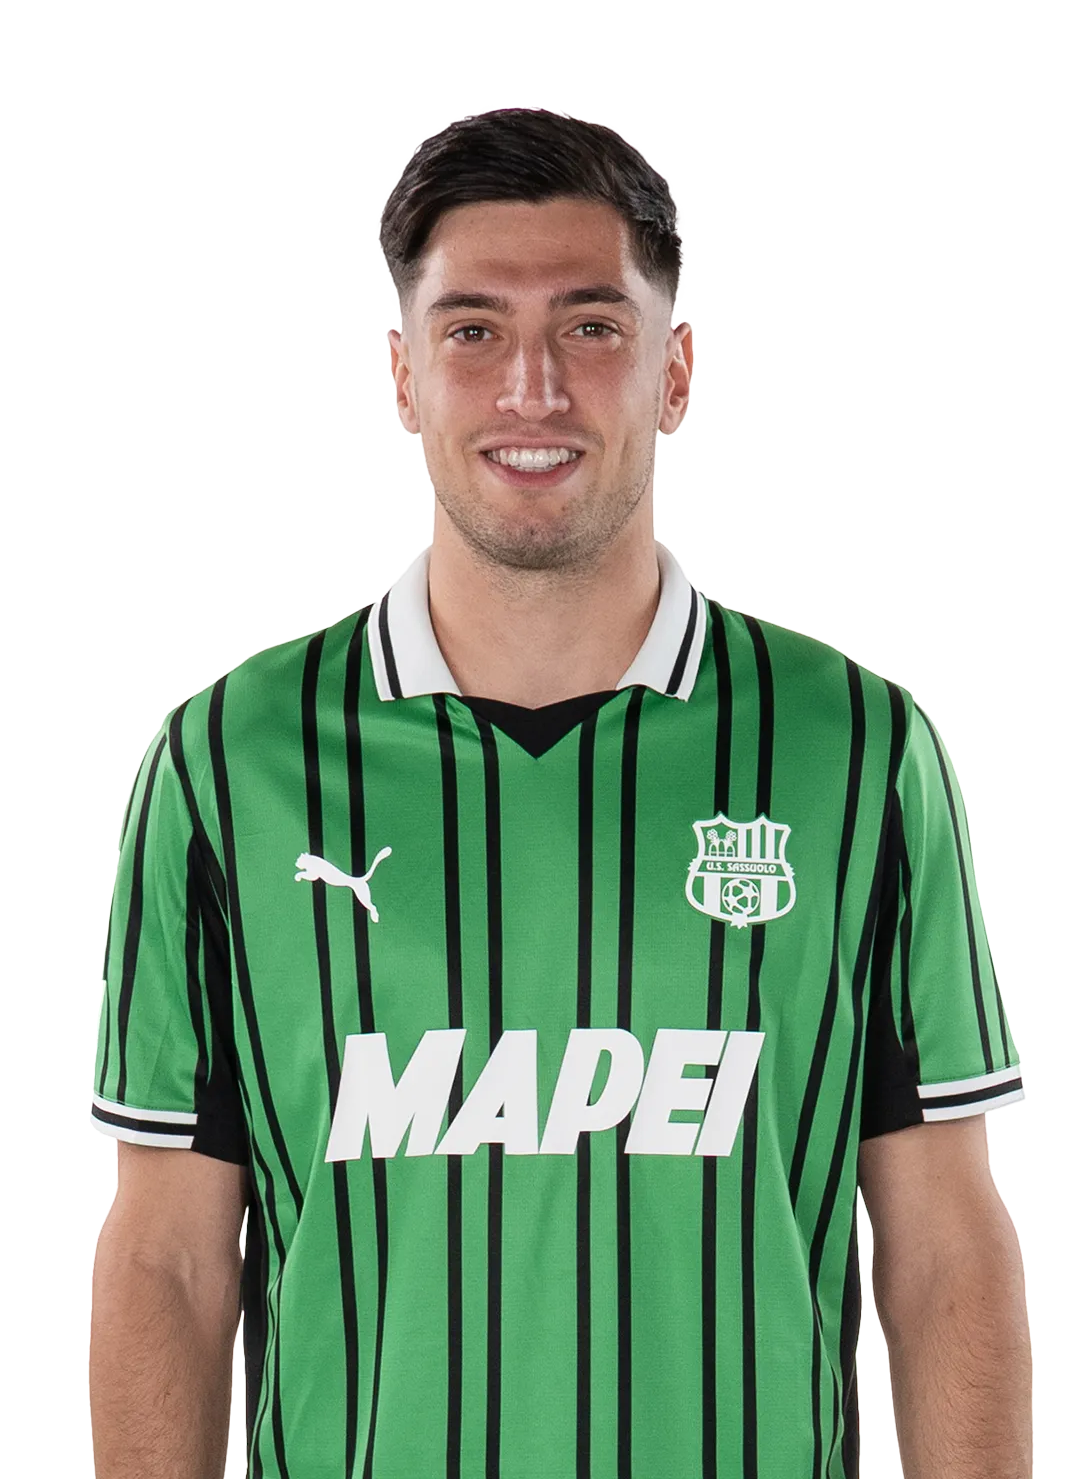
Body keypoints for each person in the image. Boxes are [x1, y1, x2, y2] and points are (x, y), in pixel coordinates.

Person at [88, 106, 1031, 1479]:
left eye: (591, 327)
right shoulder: (230, 762)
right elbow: (170, 1265)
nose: (532, 387)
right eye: (472, 330)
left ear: (677, 370)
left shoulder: (856, 751)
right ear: (404, 376)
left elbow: (942, 1253)